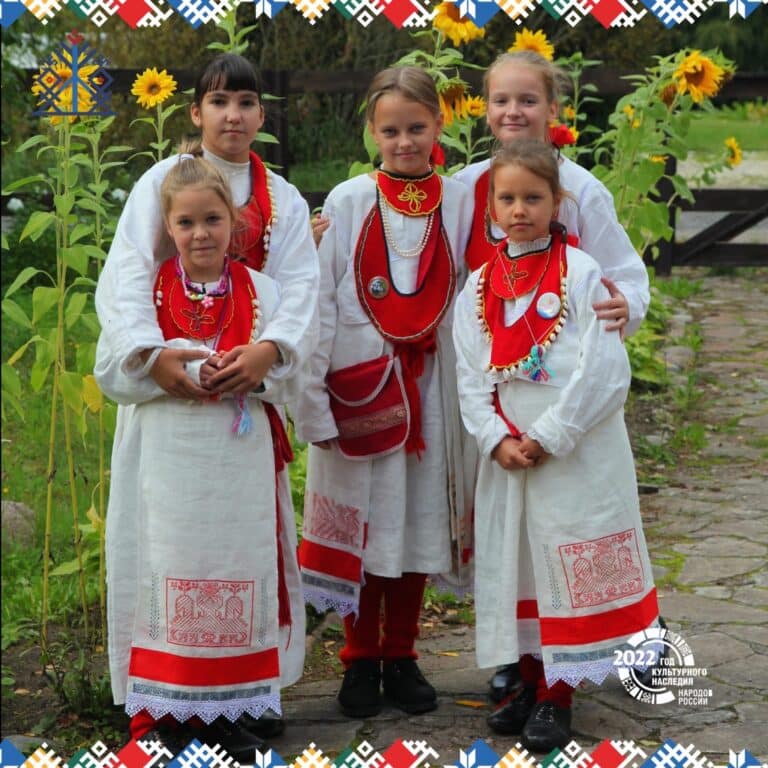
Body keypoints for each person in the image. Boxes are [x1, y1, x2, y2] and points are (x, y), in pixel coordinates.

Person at [95, 53, 318, 752]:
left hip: (241, 417)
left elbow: (301, 293)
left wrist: (269, 352)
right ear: (196, 112)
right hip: (165, 422)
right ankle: (160, 702)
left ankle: (240, 697)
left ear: (261, 114)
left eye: (246, 103)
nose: (233, 116)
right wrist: (151, 356)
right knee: (159, 550)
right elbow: (127, 276)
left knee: (240, 554)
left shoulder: (283, 200)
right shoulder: (159, 183)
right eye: (219, 102)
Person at [453, 49, 651, 701]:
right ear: (484, 109)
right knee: (518, 547)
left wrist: (624, 307)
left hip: (569, 401)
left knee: (579, 531)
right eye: (501, 100)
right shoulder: (465, 187)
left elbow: (623, 279)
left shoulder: (583, 193)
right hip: (503, 403)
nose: (514, 110)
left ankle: (599, 649)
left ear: (553, 108)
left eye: (528, 99)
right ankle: (524, 658)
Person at [293, 66, 473, 719]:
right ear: (371, 130)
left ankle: (401, 653)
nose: (404, 142)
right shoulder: (347, 201)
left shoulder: (459, 202)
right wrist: (313, 403)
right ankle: (358, 657)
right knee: (365, 525)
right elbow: (320, 300)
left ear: (439, 125)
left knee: (416, 522)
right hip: (360, 391)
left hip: (431, 390)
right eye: (390, 130)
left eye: (416, 128)